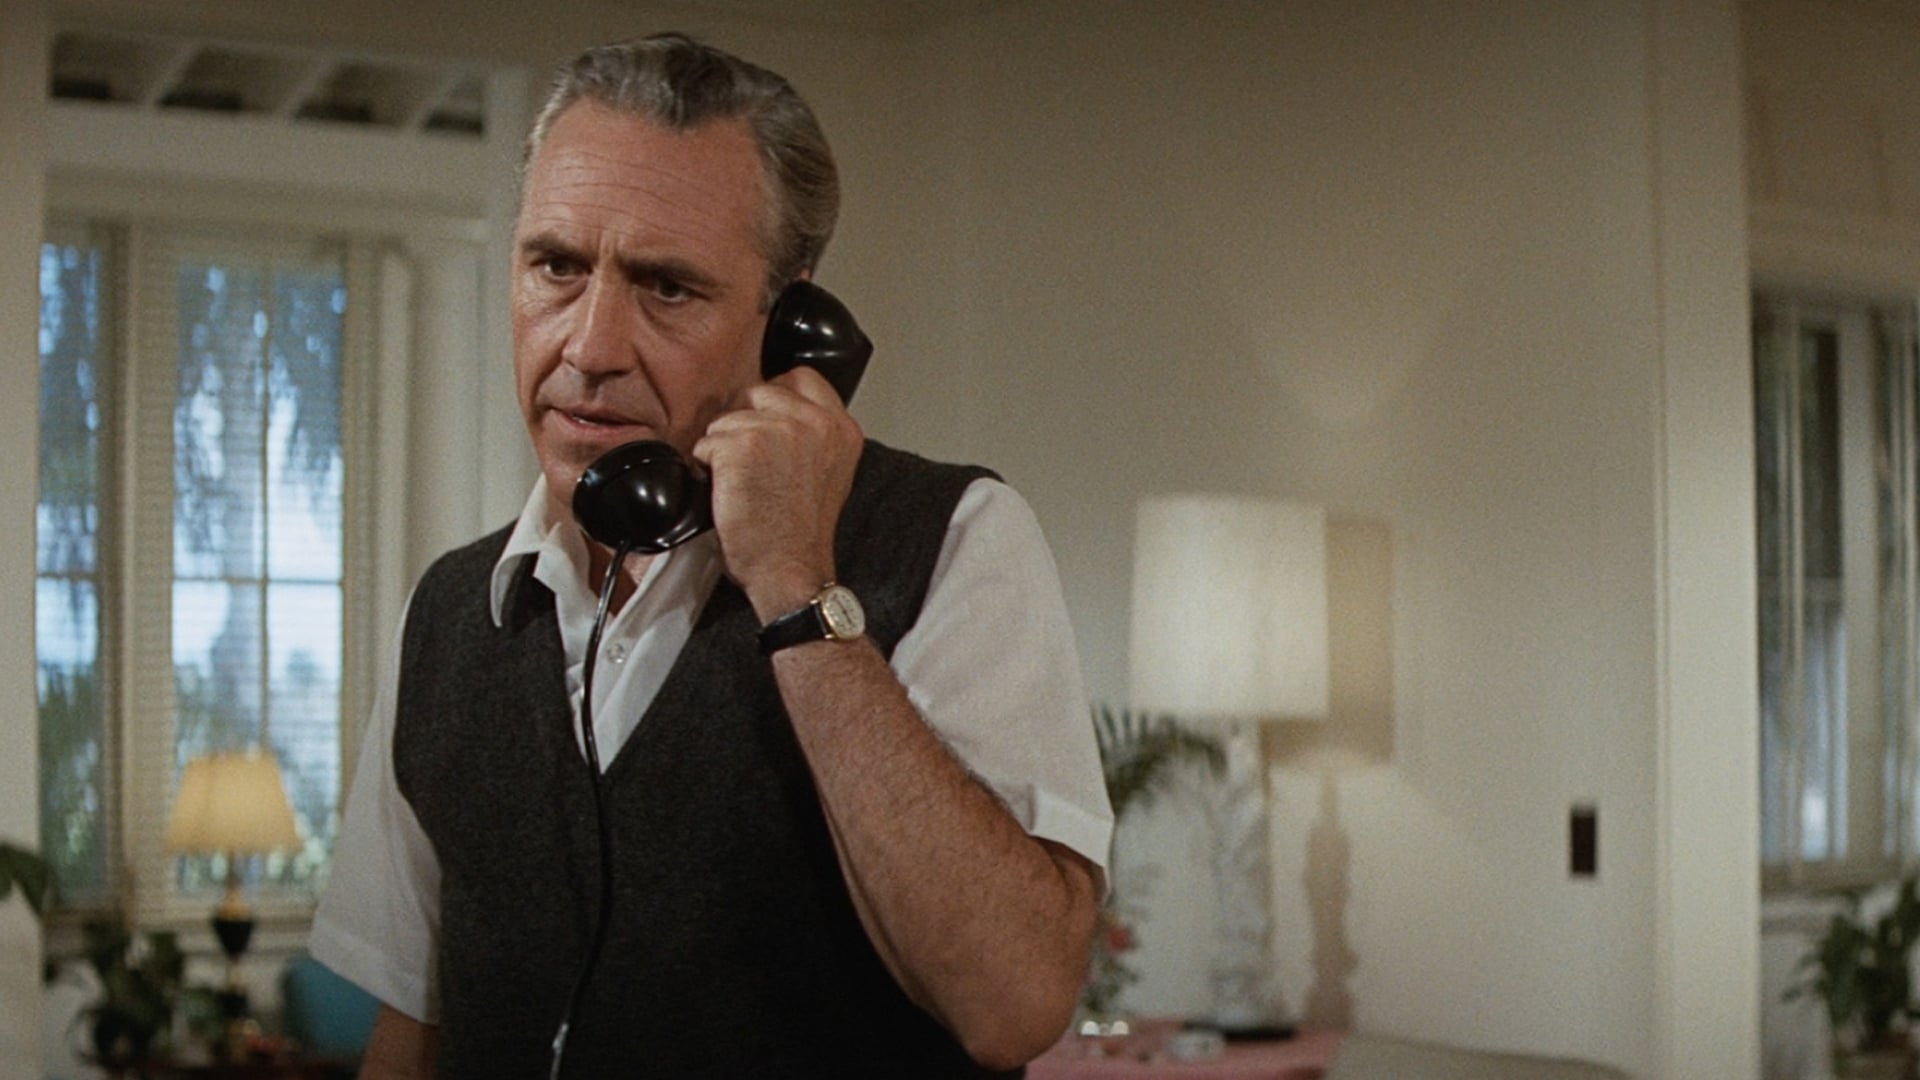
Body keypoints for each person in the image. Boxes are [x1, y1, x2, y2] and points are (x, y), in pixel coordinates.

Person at [309, 32, 1114, 1079]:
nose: (589, 347)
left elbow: (1014, 1004)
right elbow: (411, 1038)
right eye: (556, 266)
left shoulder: (954, 538)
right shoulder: (454, 612)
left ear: (792, 324)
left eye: (667, 288)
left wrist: (796, 586)